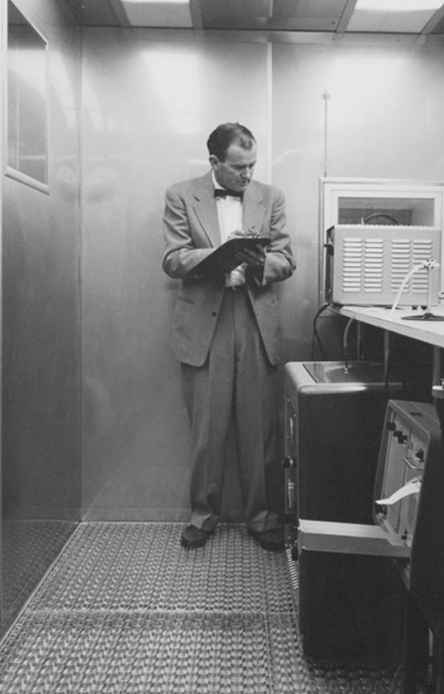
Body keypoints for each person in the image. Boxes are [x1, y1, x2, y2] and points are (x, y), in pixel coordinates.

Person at [160, 122, 295, 552]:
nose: (248, 175)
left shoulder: (271, 197)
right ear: (215, 162)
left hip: (254, 316)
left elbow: (286, 259)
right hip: (206, 321)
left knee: (260, 427)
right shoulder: (180, 195)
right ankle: (203, 516)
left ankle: (263, 517)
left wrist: (258, 264)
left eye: (253, 165)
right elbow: (173, 258)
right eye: (239, 167)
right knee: (207, 428)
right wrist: (217, 257)